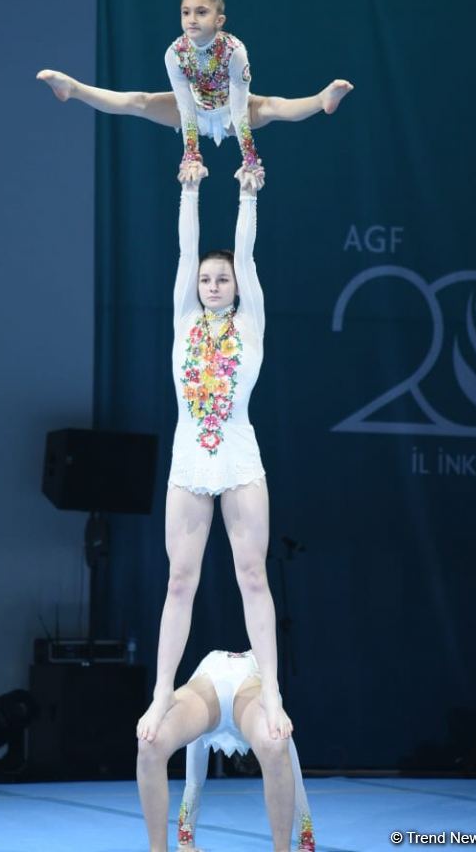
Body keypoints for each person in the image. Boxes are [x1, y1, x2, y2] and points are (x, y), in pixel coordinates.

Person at [135, 142, 290, 745]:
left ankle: (271, 691)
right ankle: (161, 693)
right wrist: (190, 188)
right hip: (189, 463)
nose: (214, 284)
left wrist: (248, 198)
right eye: (207, 278)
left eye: (222, 278)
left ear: (237, 286)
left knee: (253, 575)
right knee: (180, 581)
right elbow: (185, 249)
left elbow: (245, 255)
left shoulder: (250, 322)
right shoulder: (183, 319)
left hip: (240, 461)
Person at [36, 0, 353, 138]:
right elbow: (185, 107)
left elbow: (240, 105)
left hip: (233, 112)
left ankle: (321, 99)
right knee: (139, 101)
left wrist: (248, 157)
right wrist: (191, 153)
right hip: (192, 110)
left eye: (201, 12)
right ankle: (73, 88)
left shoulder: (234, 50)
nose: (191, 18)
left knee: (272, 107)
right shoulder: (175, 53)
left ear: (219, 20)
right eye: (186, 12)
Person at [137, 649, 315, 852]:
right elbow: (295, 779)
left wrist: (185, 842)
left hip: (224, 688)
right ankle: (178, 843)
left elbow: (193, 782)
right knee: (278, 743)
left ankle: (185, 840)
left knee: (276, 743)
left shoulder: (262, 691)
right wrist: (306, 842)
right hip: (218, 687)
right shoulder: (258, 669)